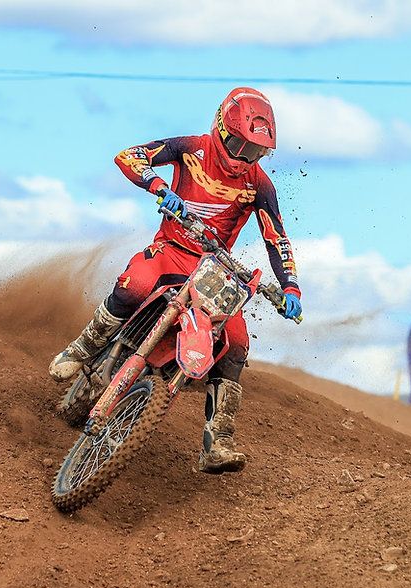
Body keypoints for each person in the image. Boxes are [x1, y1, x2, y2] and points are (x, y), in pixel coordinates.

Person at [49, 87, 303, 474]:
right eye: (239, 145)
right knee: (135, 284)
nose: (244, 157)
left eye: (255, 152)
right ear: (222, 129)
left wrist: (290, 288)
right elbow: (129, 156)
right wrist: (159, 187)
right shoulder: (191, 147)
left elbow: (276, 237)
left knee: (237, 341)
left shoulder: (260, 185)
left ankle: (217, 439)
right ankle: (83, 348)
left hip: (213, 271)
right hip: (171, 248)